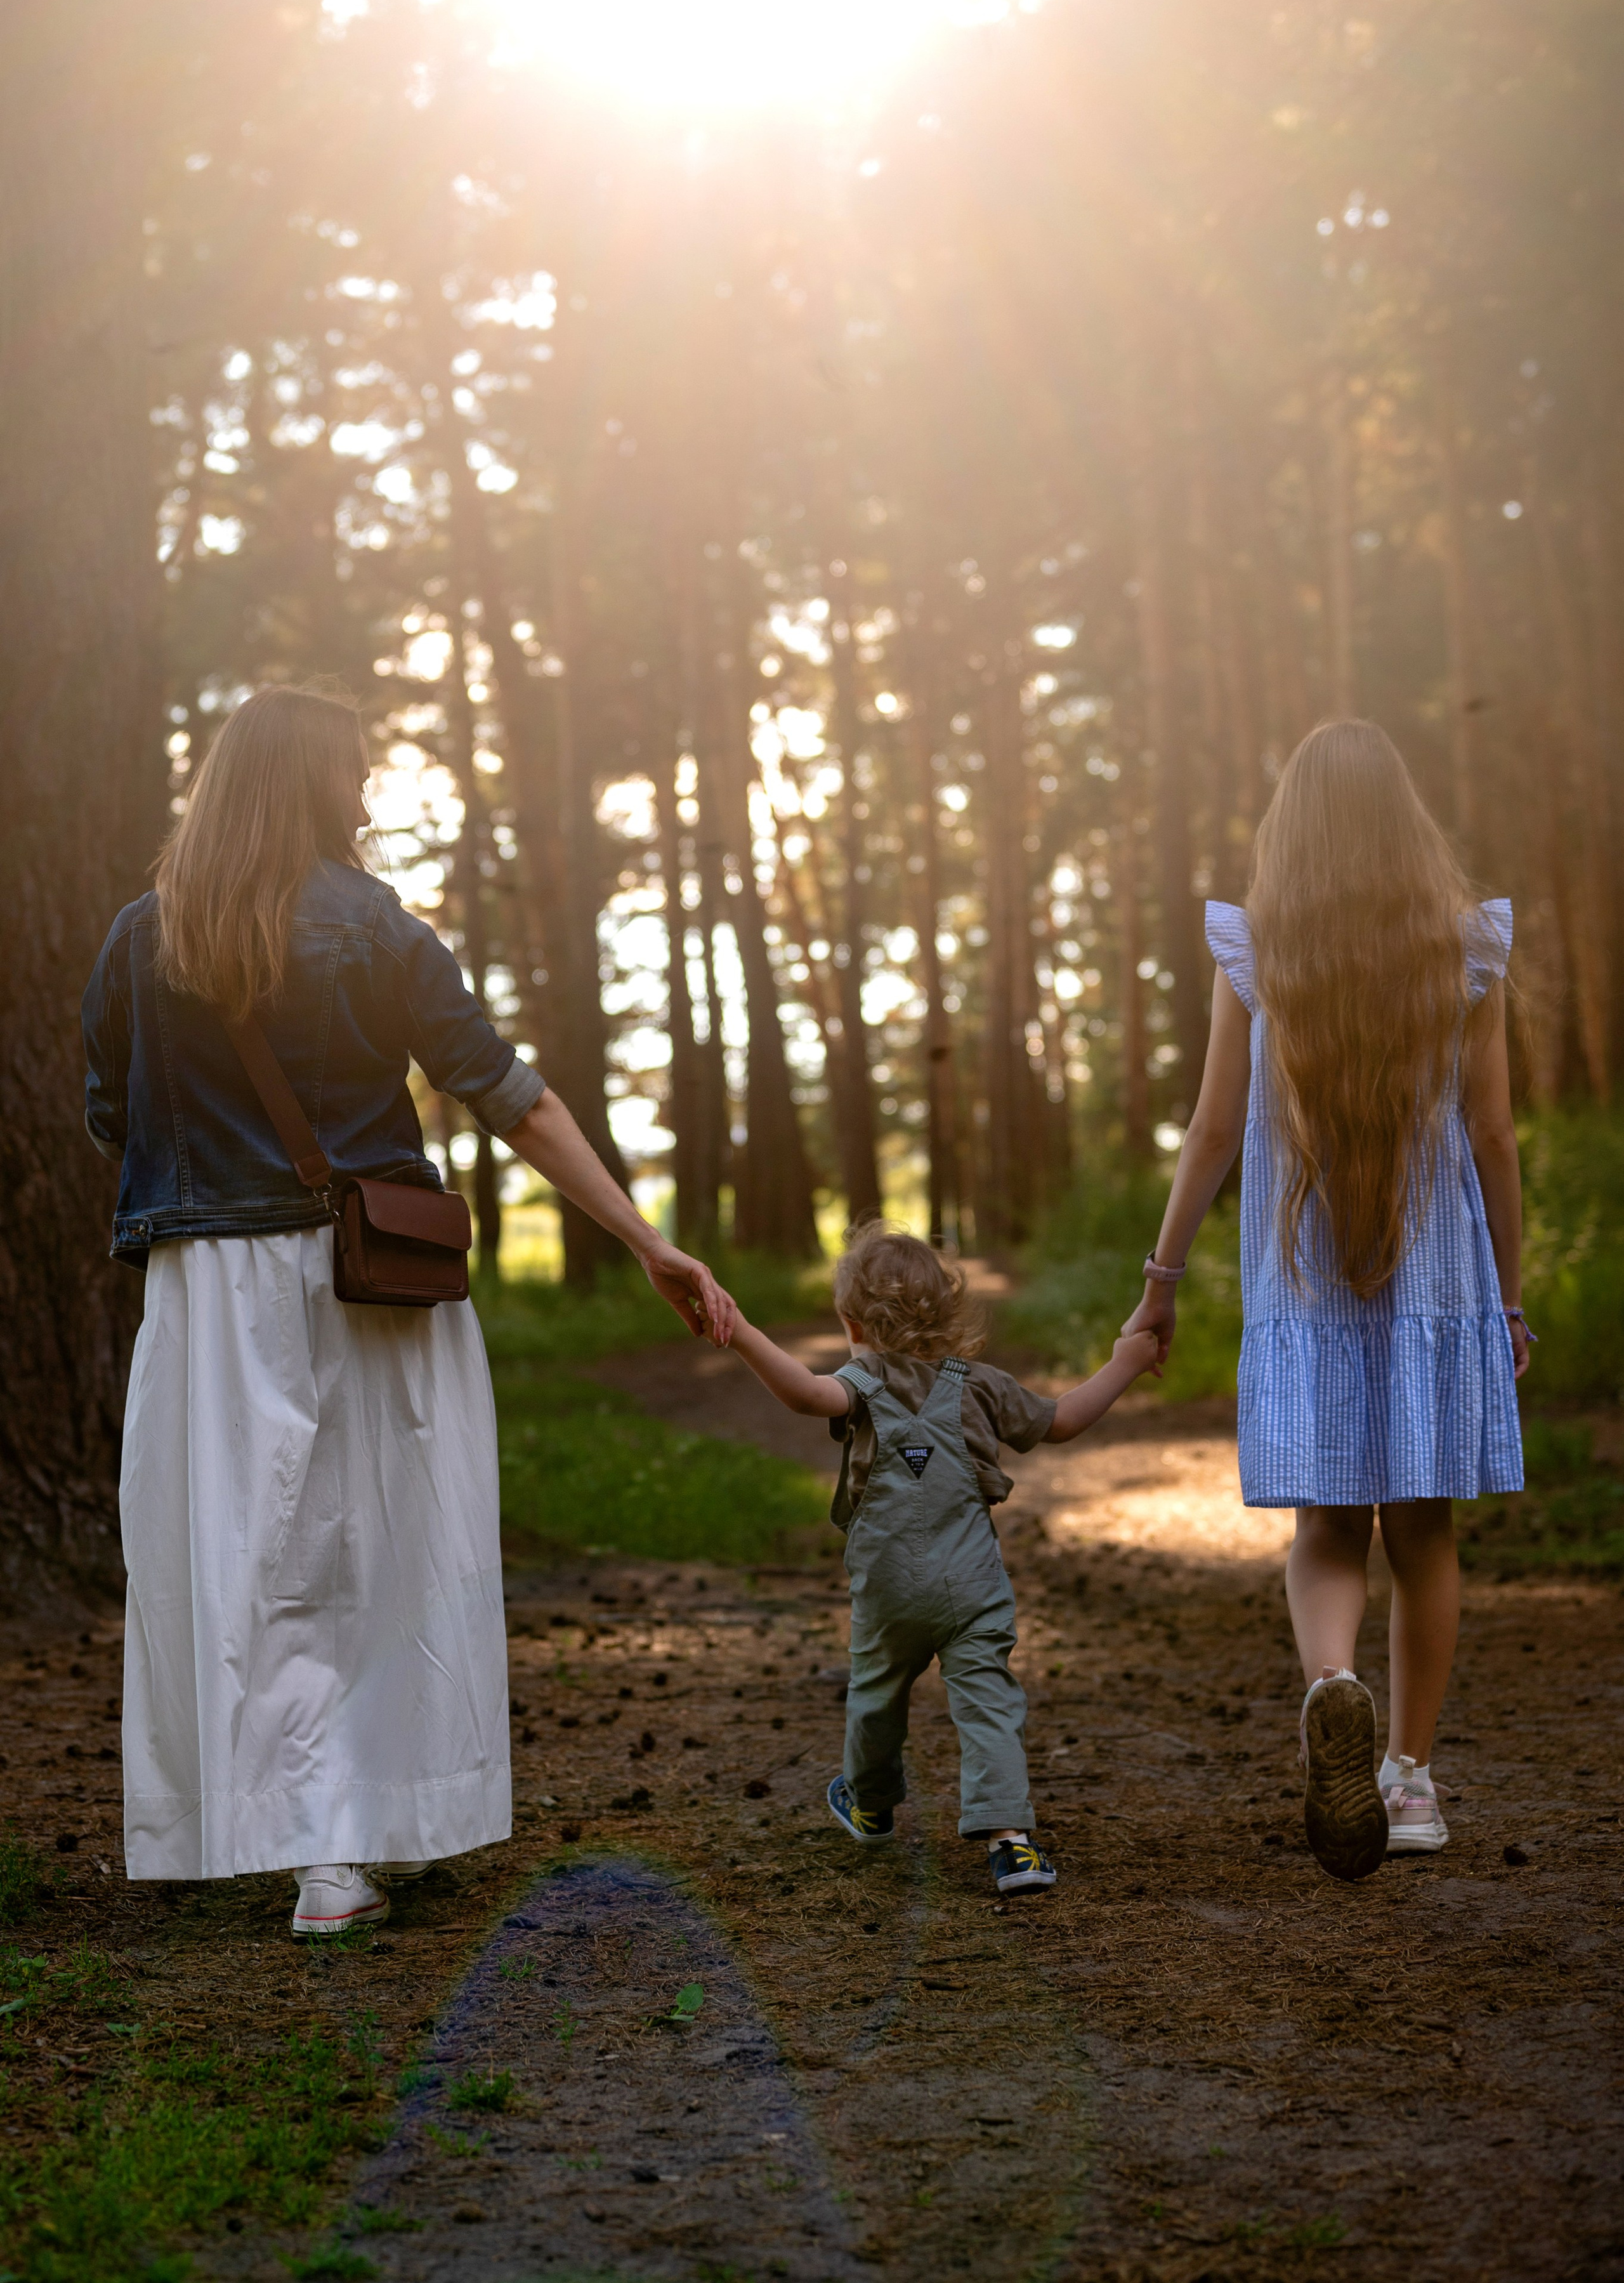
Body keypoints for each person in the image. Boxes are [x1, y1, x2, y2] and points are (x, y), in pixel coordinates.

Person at [82, 685, 735, 1937]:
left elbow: (112, 1113)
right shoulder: (367, 924)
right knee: (376, 1554)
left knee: (238, 1558)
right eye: (357, 774)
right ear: (321, 784)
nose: (368, 795)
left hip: (205, 1289)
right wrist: (643, 1240)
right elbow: (508, 1095)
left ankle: (261, 1833)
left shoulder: (135, 938)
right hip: (364, 1272)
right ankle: (349, 1842)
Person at [1122, 719, 1529, 1882]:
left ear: (1291, 830)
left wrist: (1161, 1282)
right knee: (1426, 1528)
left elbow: (1210, 1131)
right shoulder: (1467, 949)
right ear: (1408, 827)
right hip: (1438, 1282)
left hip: (1303, 1283)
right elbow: (1493, 1134)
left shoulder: (1259, 952)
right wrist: (1505, 1295)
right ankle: (1406, 1777)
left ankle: (1332, 1683)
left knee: (1327, 1524)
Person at [717, 1224, 1160, 1895]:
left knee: (875, 1697)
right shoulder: (981, 1385)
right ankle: (1011, 1844)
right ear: (951, 1312)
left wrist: (740, 1329)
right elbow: (1063, 1418)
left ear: (850, 1321)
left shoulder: (858, 1383)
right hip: (972, 1590)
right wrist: (1125, 1361)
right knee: (987, 1705)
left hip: (889, 1591)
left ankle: (868, 1803)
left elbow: (803, 1393)